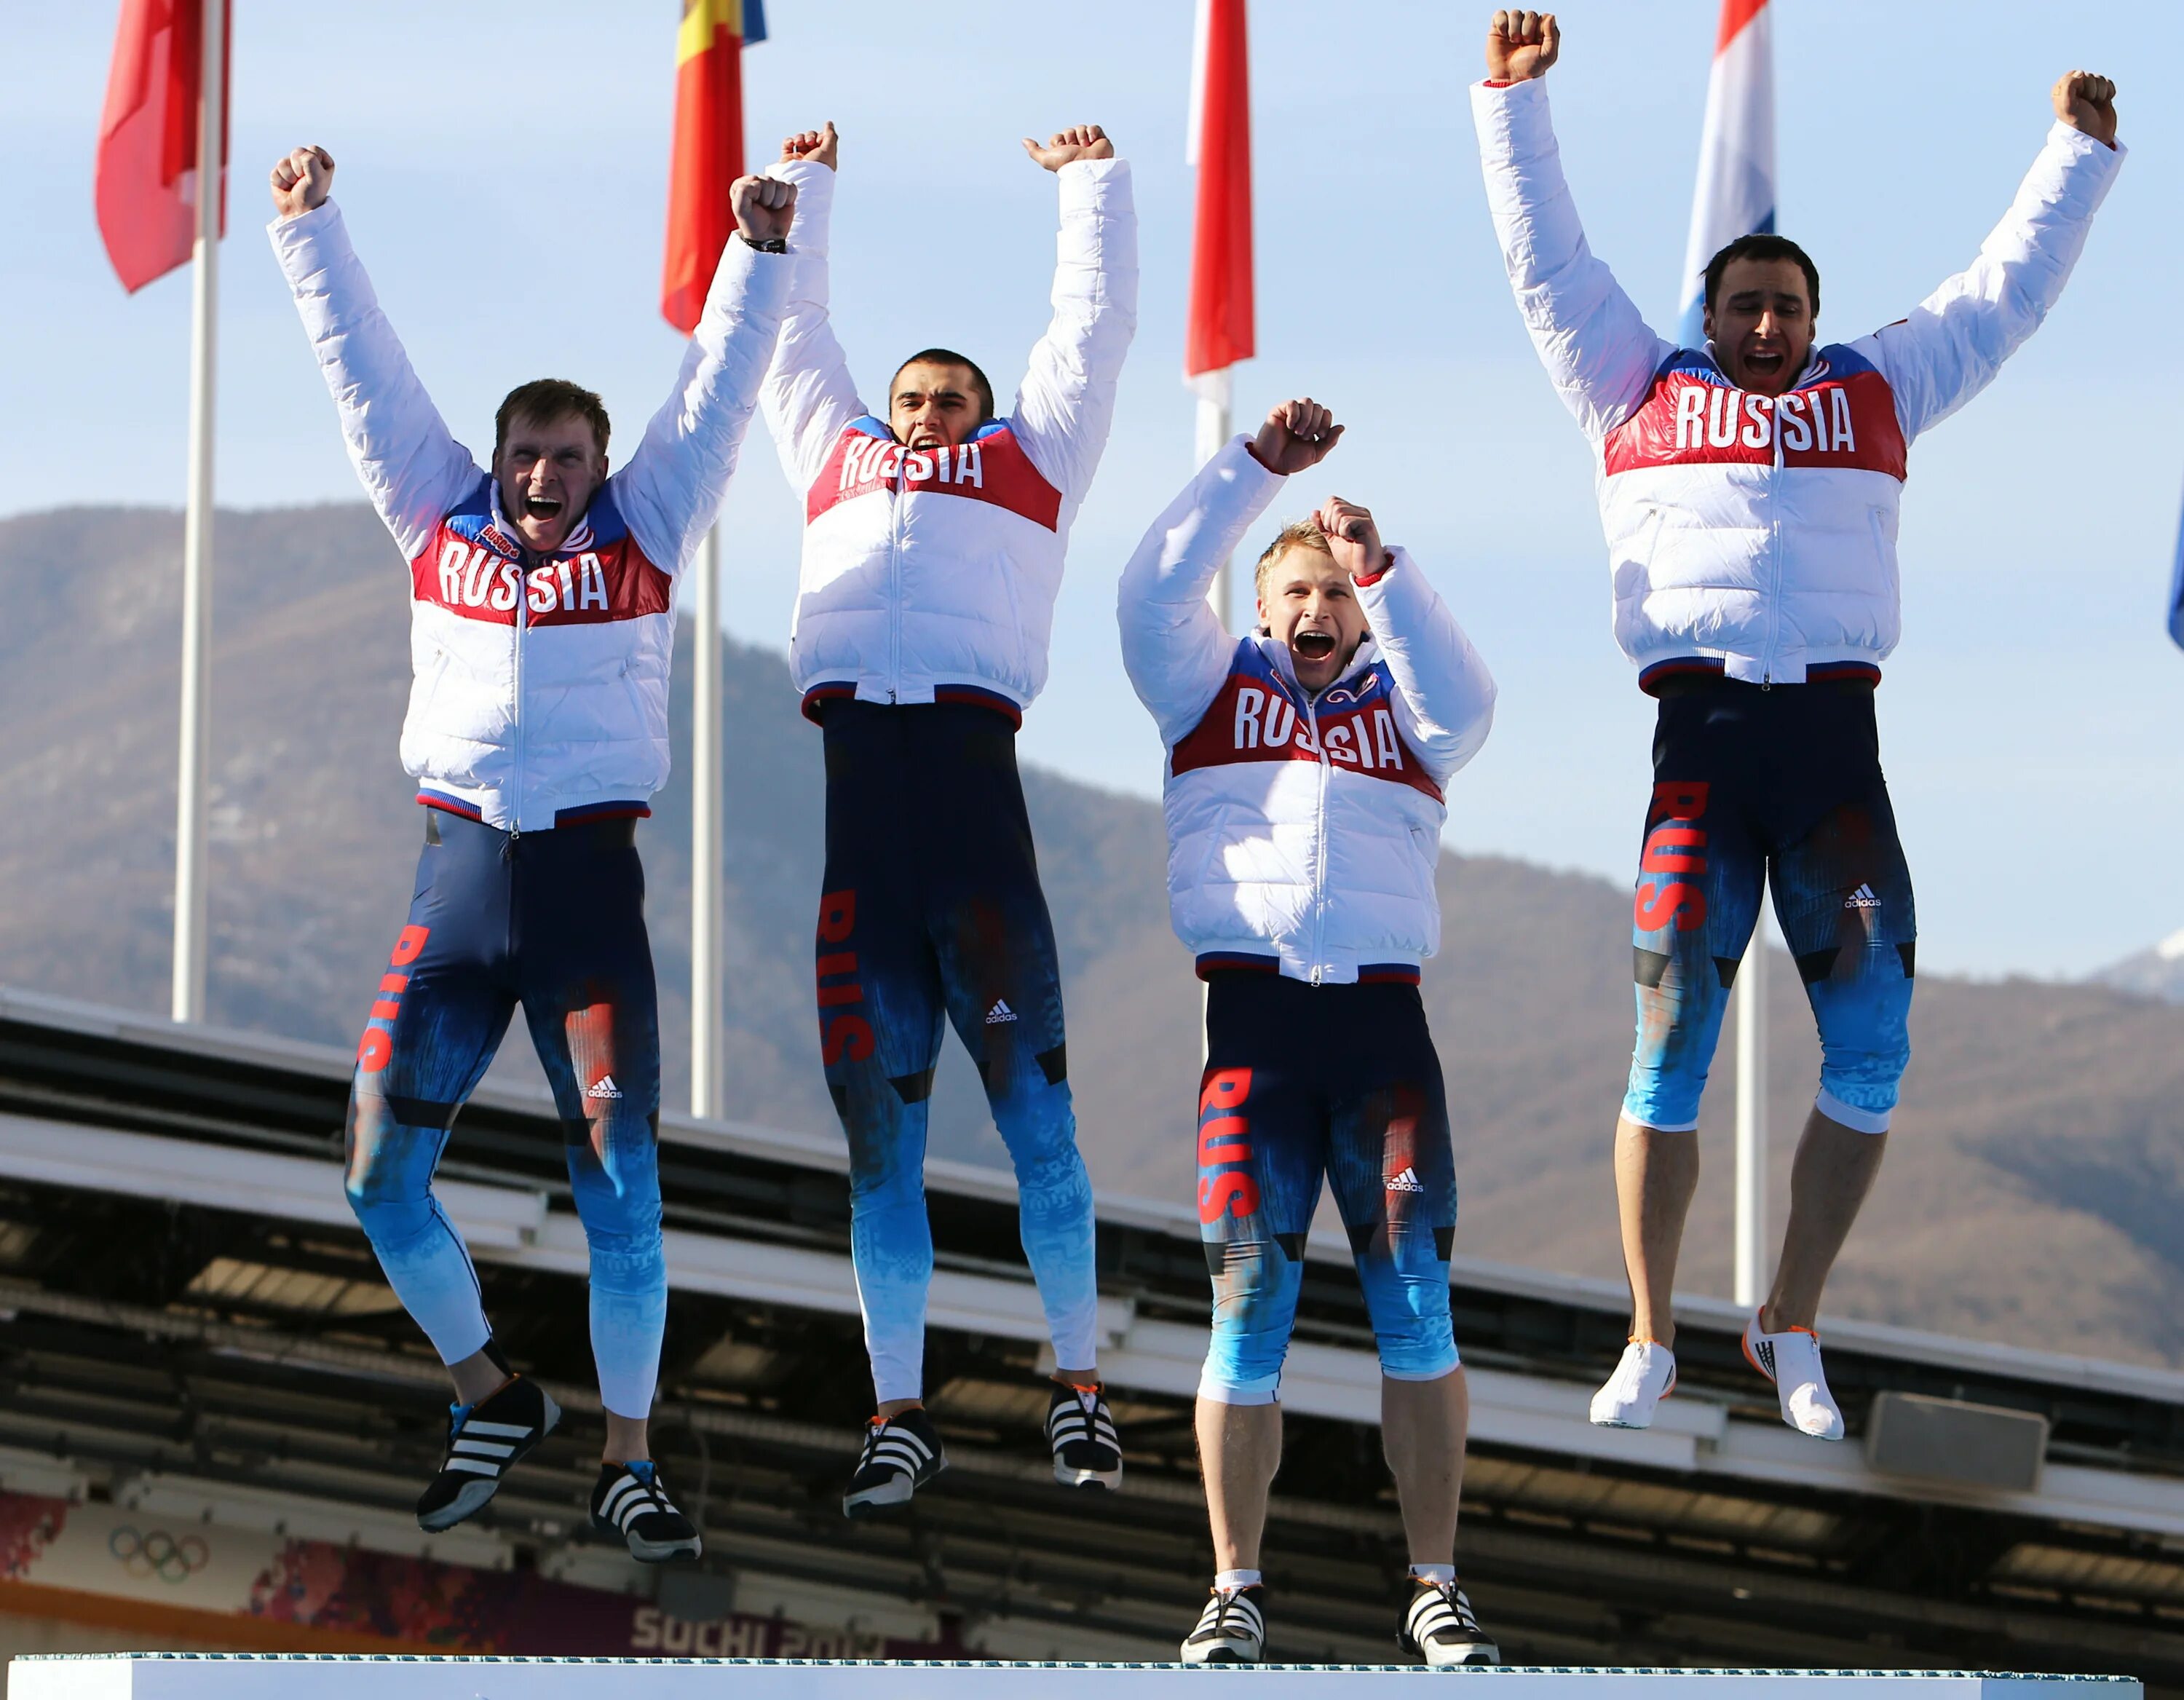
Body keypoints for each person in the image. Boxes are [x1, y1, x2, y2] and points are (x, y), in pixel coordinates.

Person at [1471, 12, 2122, 1439]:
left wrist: (2077, 155)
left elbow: (1999, 299)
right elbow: (1547, 263)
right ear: (1707, 316)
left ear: (1816, 321)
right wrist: (1511, 104)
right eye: (1745, 304)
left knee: (1875, 1045)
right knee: (1666, 1050)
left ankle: (1791, 1319)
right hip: (1698, 746)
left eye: (1789, 306)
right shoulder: (1630, 385)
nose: (1768, 323)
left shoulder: (1877, 388)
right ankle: (1651, 1331)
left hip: (1835, 750)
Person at [267, 143, 796, 1557]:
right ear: (496, 463)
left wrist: (754, 252)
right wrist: (307, 226)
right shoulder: (432, 519)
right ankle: (487, 1389)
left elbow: (719, 394)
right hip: (454, 888)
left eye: (570, 457)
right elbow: (364, 379)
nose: (546, 475)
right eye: (527, 455)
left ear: (601, 467)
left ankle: (629, 1453)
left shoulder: (649, 522)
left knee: (620, 1177)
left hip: (584, 902)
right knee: (377, 1174)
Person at [755, 122, 1138, 1515]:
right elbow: (794, 335)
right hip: (865, 848)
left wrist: (1088, 193)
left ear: (986, 411)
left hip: (980, 836)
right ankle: (897, 1409)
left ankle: (1082, 1385)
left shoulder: (1031, 468)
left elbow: (1090, 335)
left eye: (951, 395)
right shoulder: (833, 455)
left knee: (1040, 1124)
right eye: (910, 395)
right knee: (881, 1148)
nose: (925, 411)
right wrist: (812, 191)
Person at [1118, 399, 1499, 1667]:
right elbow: (1150, 588)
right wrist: (1252, 474)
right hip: (1257, 1041)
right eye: (1297, 588)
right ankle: (1233, 1586)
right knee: (1246, 1318)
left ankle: (1436, 1584)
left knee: (1420, 1317)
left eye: (1340, 589)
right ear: (1263, 606)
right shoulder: (1203, 687)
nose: (1320, 606)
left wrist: (1388, 566)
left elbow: (1472, 698)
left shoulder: (1412, 712)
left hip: (1389, 1048)